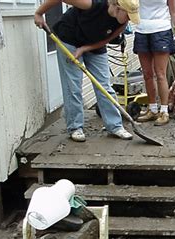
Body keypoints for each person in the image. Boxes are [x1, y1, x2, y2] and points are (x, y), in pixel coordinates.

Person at [34, 0, 141, 142]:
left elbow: (106, 40)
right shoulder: (91, 4)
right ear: (118, 8)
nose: (129, 20)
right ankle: (75, 127)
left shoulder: (122, 23)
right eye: (128, 15)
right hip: (69, 39)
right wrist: (39, 13)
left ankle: (115, 126)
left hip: (94, 44)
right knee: (73, 86)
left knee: (104, 85)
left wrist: (85, 49)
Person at [134, 0, 175, 126]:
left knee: (160, 74)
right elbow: (130, 6)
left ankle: (164, 111)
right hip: (141, 30)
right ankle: (152, 109)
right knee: (147, 74)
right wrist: (126, 24)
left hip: (161, 31)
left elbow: (173, 11)